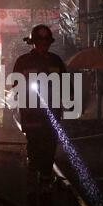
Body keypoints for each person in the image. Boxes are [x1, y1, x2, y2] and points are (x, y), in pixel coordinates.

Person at [13, 24, 66, 189]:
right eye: (40, 42)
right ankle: (32, 176)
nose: (44, 45)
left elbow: (66, 84)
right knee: (35, 145)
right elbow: (15, 84)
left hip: (52, 113)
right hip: (31, 114)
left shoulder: (56, 61)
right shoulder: (23, 61)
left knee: (50, 147)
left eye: (46, 42)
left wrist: (69, 94)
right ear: (33, 43)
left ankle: (45, 180)